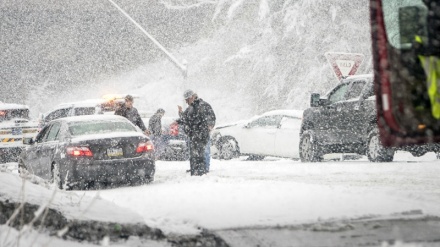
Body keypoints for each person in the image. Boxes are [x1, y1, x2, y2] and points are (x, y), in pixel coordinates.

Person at [176, 90, 216, 176]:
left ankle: (203, 171)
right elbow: (185, 118)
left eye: (187, 100)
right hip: (194, 135)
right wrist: (179, 117)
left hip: (202, 134)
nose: (186, 102)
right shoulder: (190, 108)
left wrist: (210, 125)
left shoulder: (203, 105)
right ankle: (195, 171)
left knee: (202, 153)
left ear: (192, 97)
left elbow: (211, 117)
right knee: (194, 154)